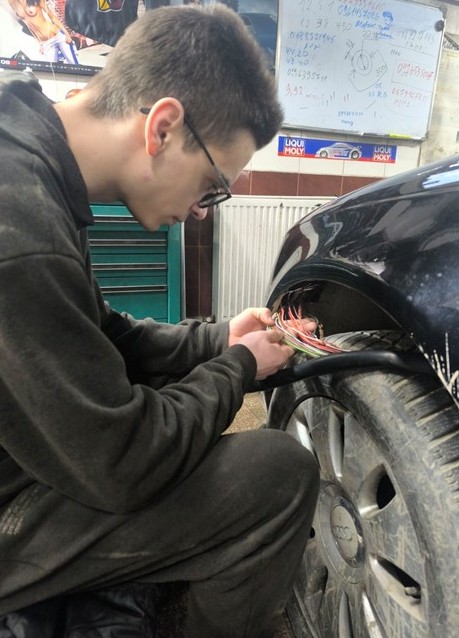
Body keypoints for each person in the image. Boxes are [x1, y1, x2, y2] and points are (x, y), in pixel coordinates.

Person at [0, 4, 319, 637]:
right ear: (163, 127)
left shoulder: (28, 151)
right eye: (212, 184)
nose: (203, 211)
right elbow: (123, 464)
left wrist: (218, 339)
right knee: (277, 475)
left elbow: (100, 332)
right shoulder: (22, 230)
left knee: (164, 389)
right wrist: (238, 369)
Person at [8, 0, 79, 64]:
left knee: (74, 65)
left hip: (57, 35)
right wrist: (40, 44)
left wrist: (67, 34)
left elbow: (52, 17)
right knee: (52, 70)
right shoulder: (12, 2)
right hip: (46, 43)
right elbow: (29, 26)